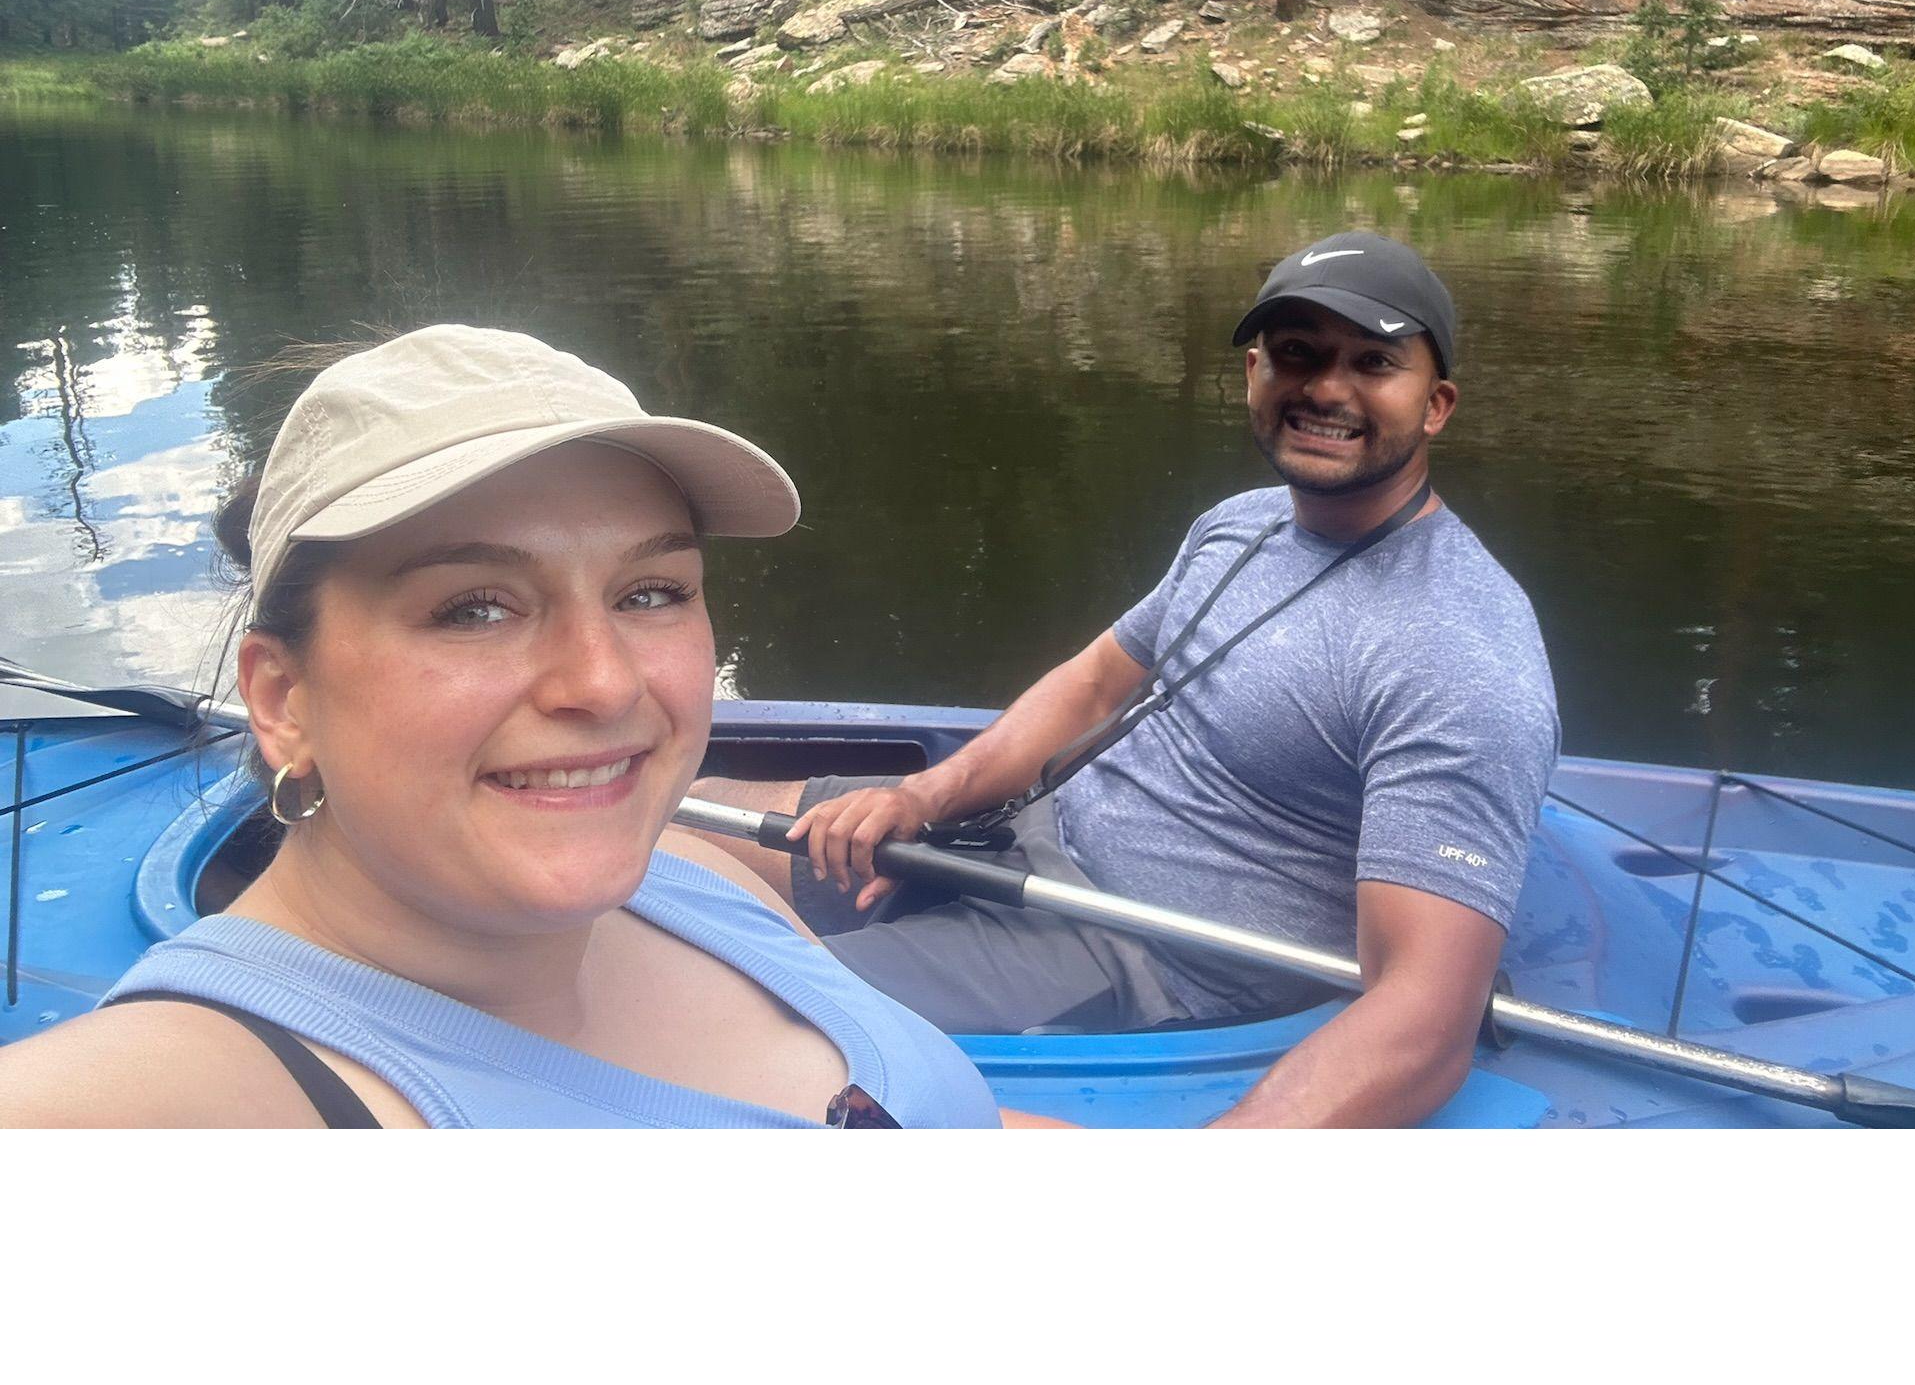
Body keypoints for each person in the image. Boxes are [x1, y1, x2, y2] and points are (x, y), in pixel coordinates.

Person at [0, 326, 1006, 1129]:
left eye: (651, 590)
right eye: (475, 606)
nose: (603, 681)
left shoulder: (697, 880)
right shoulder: (174, 1104)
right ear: (280, 697)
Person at [697, 231, 1560, 1128]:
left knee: (700, 998)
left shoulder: (1461, 654)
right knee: (682, 828)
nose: (1326, 388)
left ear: (1437, 405)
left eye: (1373, 362)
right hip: (1017, 836)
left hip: (1137, 954)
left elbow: (1424, 1021)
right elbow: (1093, 684)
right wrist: (926, 795)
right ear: (1254, 374)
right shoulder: (1244, 523)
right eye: (1297, 354)